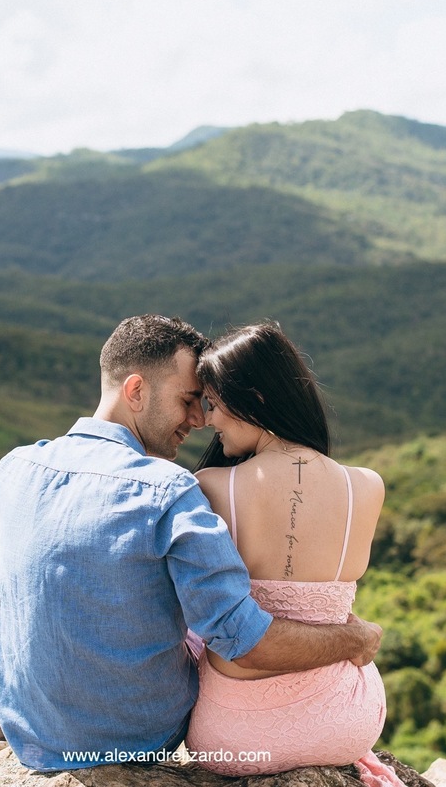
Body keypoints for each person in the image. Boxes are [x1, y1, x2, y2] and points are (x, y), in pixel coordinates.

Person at [0, 314, 384, 772]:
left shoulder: (15, 469)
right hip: (141, 736)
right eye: (189, 399)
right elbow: (240, 637)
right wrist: (353, 637)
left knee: (1, 527)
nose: (198, 418)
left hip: (28, 728)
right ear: (136, 391)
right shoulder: (168, 490)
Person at [184, 321, 404, 786]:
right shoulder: (367, 486)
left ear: (256, 400)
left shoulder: (211, 488)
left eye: (216, 405)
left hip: (234, 735)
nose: (209, 420)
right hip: (346, 721)